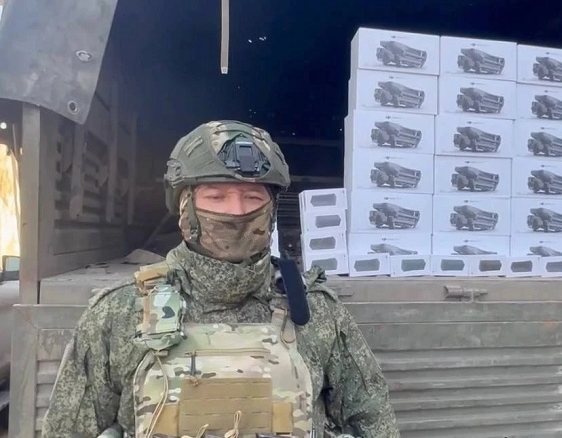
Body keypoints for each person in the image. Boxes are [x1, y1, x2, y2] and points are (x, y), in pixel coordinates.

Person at [41, 120, 400, 438]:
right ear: (184, 207)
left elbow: (373, 422)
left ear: (272, 209)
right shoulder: (119, 313)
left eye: (252, 197)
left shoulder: (316, 311)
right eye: (216, 197)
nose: (236, 212)